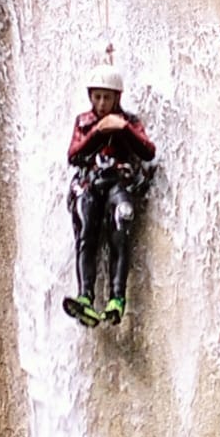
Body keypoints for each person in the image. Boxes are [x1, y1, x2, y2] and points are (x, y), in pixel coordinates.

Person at [63, 62, 155, 328]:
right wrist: (97, 132)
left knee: (121, 225)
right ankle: (85, 296)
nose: (101, 103)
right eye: (97, 97)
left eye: (107, 97)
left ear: (117, 98)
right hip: (91, 183)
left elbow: (148, 152)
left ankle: (117, 298)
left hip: (118, 184)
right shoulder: (84, 122)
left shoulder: (129, 122)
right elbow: (74, 155)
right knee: (85, 229)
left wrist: (123, 129)